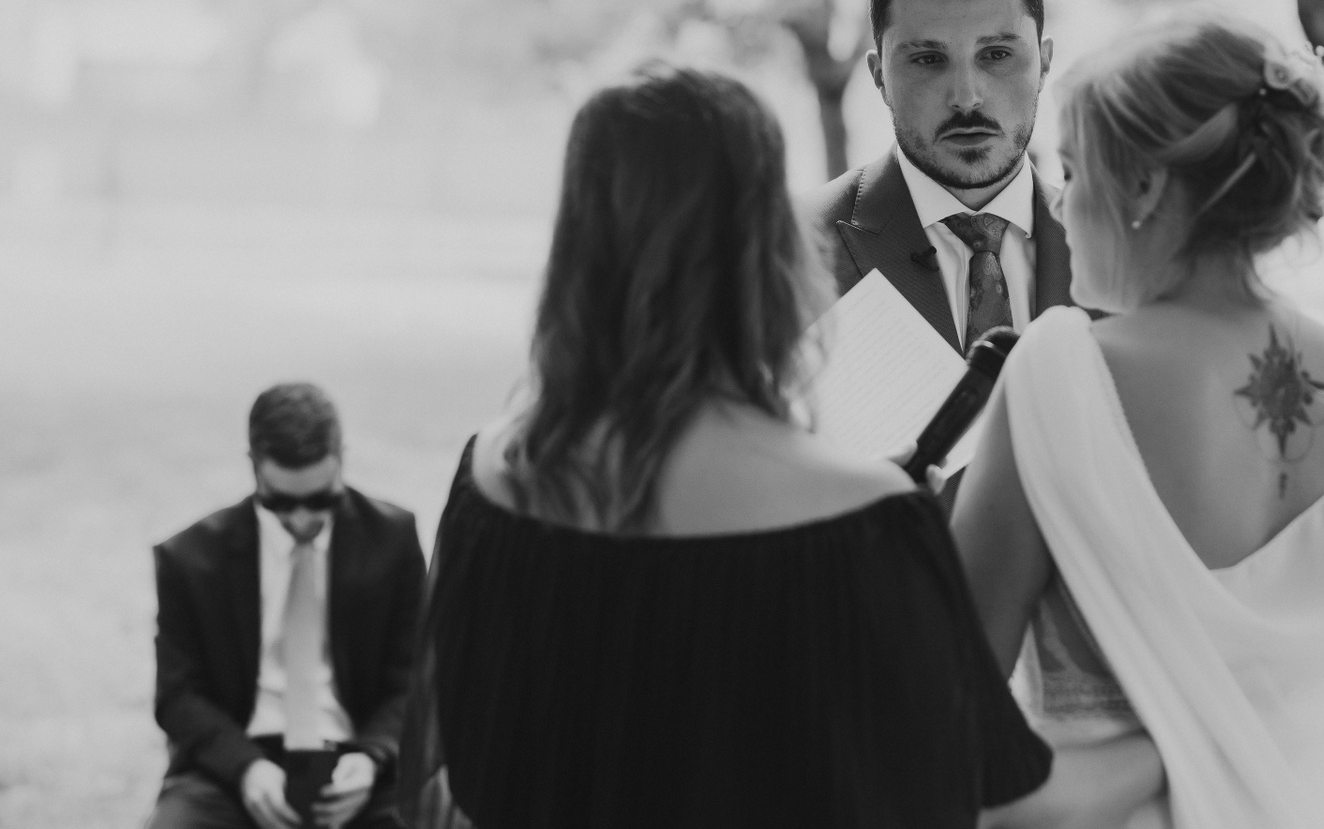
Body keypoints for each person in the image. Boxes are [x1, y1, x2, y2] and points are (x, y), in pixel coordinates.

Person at [401, 68, 1155, 829]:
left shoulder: (489, 472)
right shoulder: (866, 523)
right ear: (766, 243)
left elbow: (456, 762)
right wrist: (1182, 733)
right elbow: (1004, 804)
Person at [952, 13, 1324, 827]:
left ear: (1142, 185)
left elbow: (953, 686)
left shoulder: (1063, 372)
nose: (1058, 204)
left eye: (1073, 170)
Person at [149, 383, 425, 829]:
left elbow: (413, 678)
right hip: (232, 765)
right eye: (279, 501)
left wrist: (372, 757)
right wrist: (245, 768)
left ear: (342, 459)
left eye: (321, 499)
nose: (301, 519)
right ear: (253, 465)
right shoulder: (190, 559)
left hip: (360, 762)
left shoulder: (392, 541)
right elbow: (178, 696)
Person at [807, 0, 1073, 357]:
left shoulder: (1132, 251)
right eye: (928, 59)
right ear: (879, 76)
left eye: (996, 54)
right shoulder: (789, 248)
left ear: (1043, 64)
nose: (966, 97)